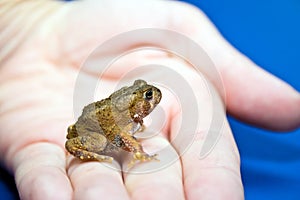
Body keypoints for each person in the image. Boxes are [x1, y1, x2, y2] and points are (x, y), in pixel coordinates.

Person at [0, 0, 299, 199]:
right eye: (146, 95)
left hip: (101, 114)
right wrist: (139, 153)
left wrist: (18, 15)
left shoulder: (131, 113)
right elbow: (118, 134)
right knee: (94, 144)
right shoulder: (124, 119)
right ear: (137, 103)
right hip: (91, 129)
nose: (152, 96)